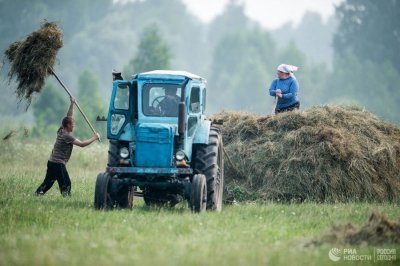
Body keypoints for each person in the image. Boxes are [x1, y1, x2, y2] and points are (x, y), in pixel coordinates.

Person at [35, 96, 100, 197]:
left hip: (52, 162)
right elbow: (82, 144)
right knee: (66, 184)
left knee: (48, 182)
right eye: (72, 124)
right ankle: (66, 199)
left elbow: (68, 116)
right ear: (68, 125)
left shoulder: (61, 130)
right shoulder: (66, 136)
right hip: (58, 164)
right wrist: (94, 137)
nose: (73, 125)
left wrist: (72, 103)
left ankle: (38, 194)